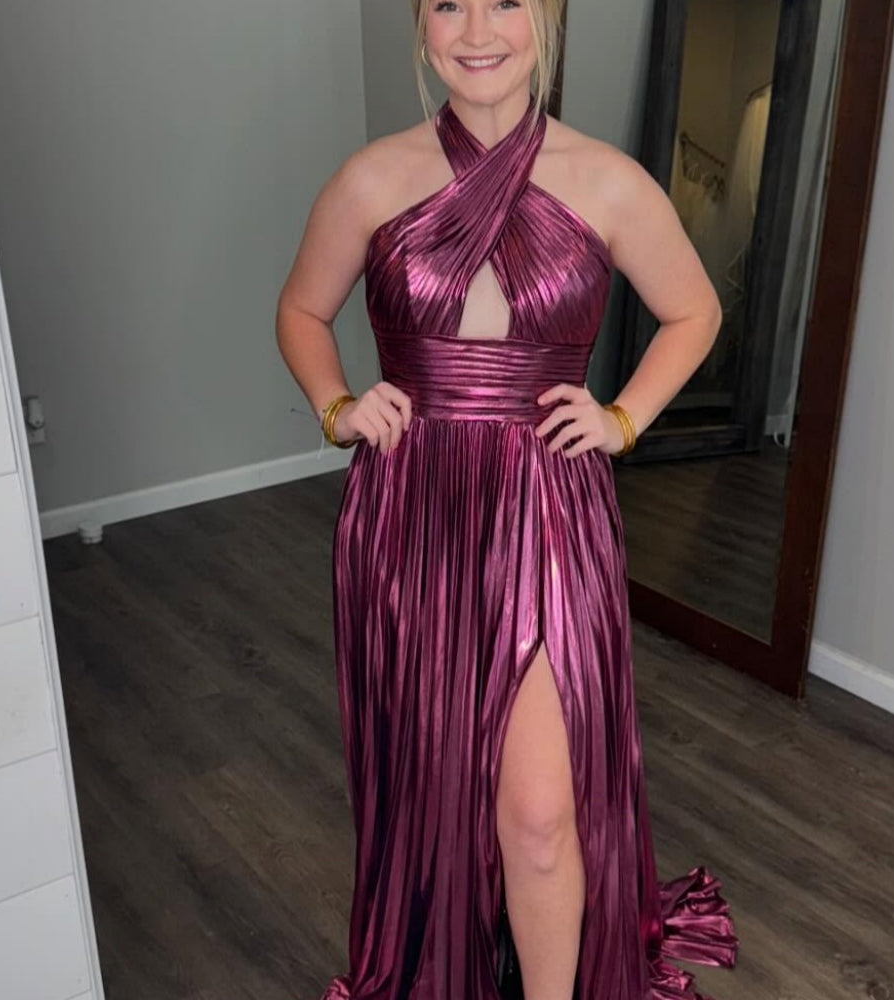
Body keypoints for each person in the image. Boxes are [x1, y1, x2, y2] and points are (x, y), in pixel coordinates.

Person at [275, 2, 739, 998]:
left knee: (537, 816)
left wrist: (622, 419)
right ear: (421, 25)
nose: (477, 29)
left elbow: (694, 309)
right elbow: (302, 309)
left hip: (546, 512)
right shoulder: (372, 178)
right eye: (448, 2)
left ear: (546, 17)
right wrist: (337, 406)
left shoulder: (606, 180)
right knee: (439, 790)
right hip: (412, 516)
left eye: (504, 1)